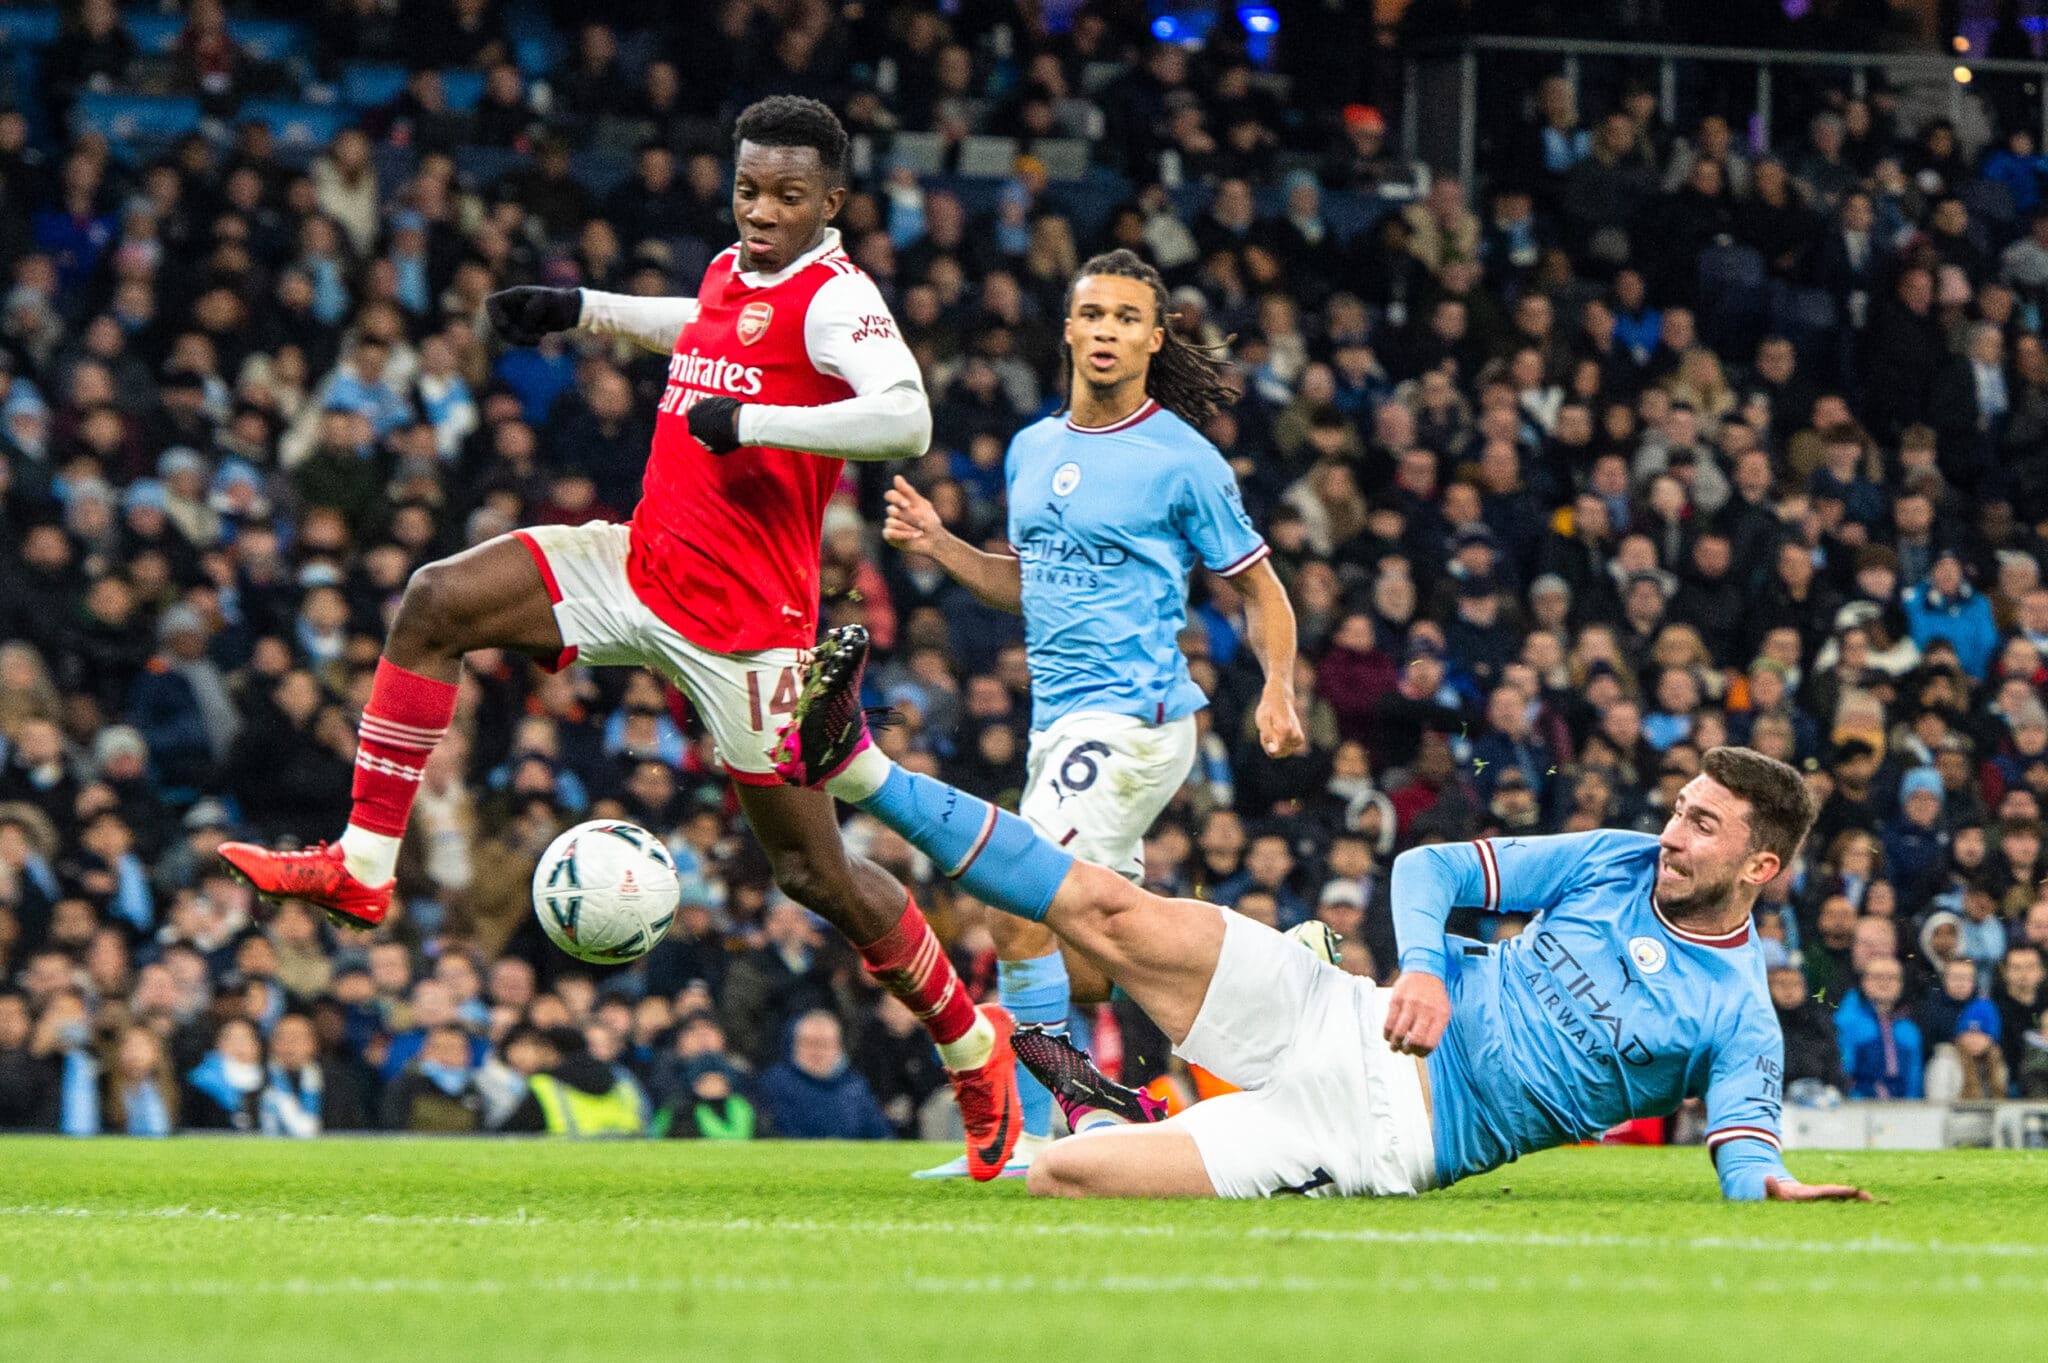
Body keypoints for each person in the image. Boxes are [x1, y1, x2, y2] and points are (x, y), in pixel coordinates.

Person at [216, 96, 1021, 1178]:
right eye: (747, 190)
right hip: (635, 567)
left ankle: (975, 1051)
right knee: (435, 601)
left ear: (832, 202)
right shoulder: (737, 275)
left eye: (788, 196)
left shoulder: (838, 299)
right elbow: (696, 326)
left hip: (745, 637)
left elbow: (907, 417)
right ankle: (362, 864)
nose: (761, 211)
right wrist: (580, 309)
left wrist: (760, 423)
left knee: (814, 874)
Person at [773, 638, 1868, 1203]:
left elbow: (1744, 1146)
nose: (1671, 834)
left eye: (1702, 827)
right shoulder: (1614, 859)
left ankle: (1100, 1121)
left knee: (1067, 1177)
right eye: (1679, 809)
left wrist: (1763, 1184)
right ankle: (857, 760)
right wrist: (1426, 968)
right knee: (1105, 905)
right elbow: (1431, 866)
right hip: (1340, 1009)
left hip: (1381, 1134)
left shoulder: (1736, 1007)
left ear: (1759, 864)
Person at [875, 247, 1305, 1175]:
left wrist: (1277, 685)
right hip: (1060, 727)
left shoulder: (1183, 460)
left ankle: (1036, 1132)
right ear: (1067, 329)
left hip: (1136, 721)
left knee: (1016, 904)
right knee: (1095, 956)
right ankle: (1281, 995)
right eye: (1092, 315)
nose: (1106, 331)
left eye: (1124, 318)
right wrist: (941, 543)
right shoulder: (1034, 449)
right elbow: (1029, 584)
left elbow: (1260, 588)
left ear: (1154, 337)